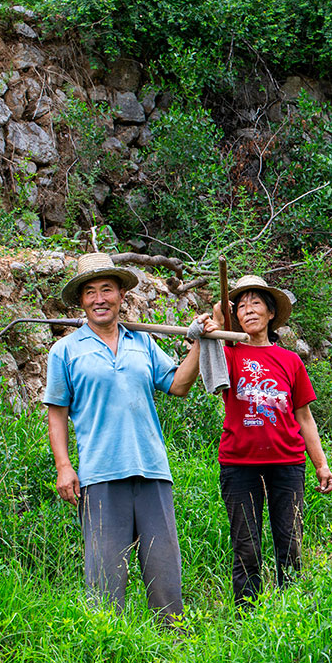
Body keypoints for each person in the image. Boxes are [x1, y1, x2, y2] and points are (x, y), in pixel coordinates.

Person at [43, 252, 201, 623]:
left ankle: (172, 649)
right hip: (100, 476)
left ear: (120, 296)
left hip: (152, 471)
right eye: (91, 292)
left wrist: (200, 344)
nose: (100, 298)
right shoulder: (66, 351)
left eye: (107, 290)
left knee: (165, 577)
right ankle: (109, 653)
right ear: (81, 301)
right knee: (104, 580)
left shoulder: (142, 343)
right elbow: (57, 413)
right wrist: (64, 467)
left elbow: (178, 384)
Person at [200, 274, 332, 606]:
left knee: (289, 542)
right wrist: (215, 325)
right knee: (246, 546)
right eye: (241, 305)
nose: (248, 310)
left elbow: (304, 417)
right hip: (239, 464)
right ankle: (248, 618)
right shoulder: (228, 356)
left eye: (256, 302)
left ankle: (290, 616)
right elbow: (208, 364)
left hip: (287, 463)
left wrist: (322, 464)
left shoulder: (290, 361)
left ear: (271, 312)